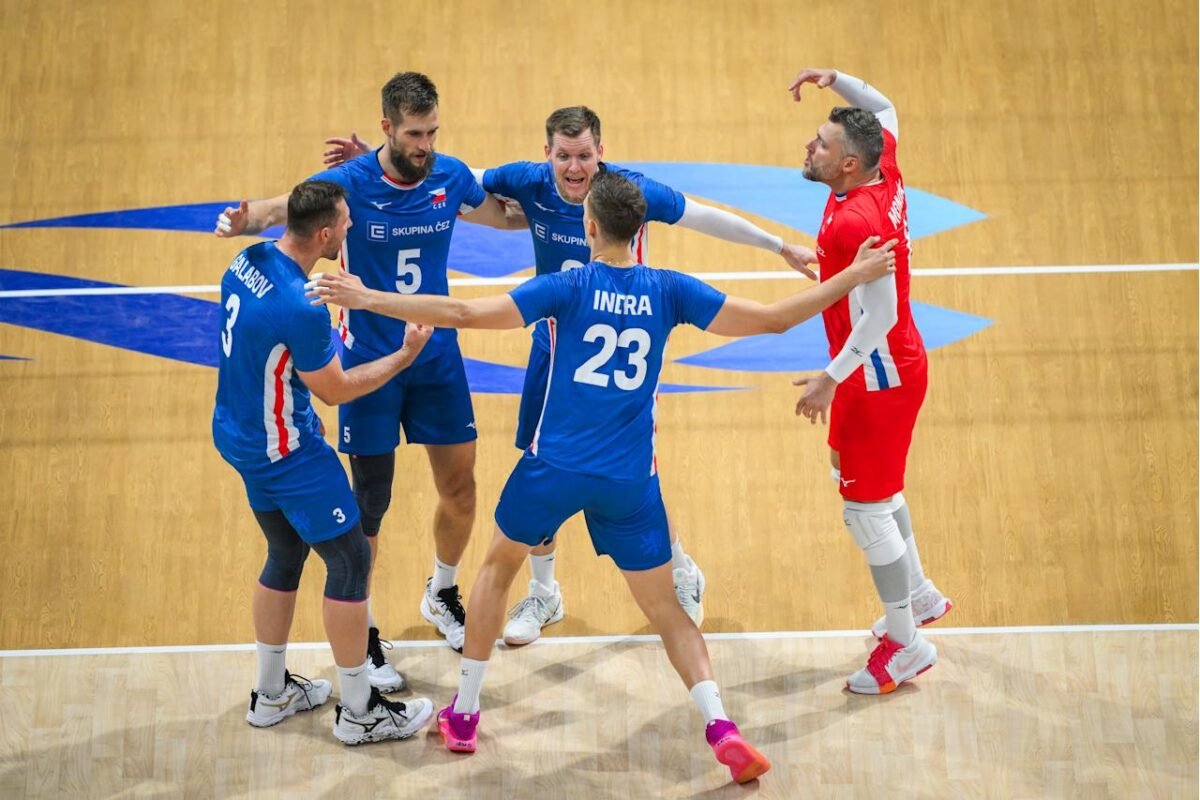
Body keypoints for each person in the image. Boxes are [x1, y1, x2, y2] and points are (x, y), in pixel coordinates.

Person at [306, 171, 896, 782]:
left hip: (552, 468)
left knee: (496, 569)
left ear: (588, 227)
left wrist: (368, 298)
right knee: (668, 609)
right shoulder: (670, 290)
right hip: (629, 479)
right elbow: (774, 319)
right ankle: (721, 726)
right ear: (639, 231)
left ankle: (465, 713)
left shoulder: (566, 285)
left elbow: (461, 310)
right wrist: (852, 276)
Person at [322, 105, 822, 643]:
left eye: (585, 155)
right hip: (553, 354)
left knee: (636, 474)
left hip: (619, 356)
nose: (575, 167)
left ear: (600, 153)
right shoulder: (527, 182)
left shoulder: (626, 194)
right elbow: (450, 178)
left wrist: (779, 246)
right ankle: (543, 595)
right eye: (564, 156)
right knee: (539, 468)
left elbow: (702, 215)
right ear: (548, 156)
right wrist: (381, 171)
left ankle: (680, 569)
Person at [216, 73, 525, 686]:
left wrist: (562, 201)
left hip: (435, 355)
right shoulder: (350, 183)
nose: (426, 144)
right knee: (369, 509)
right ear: (387, 127)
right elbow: (289, 211)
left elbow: (506, 218)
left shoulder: (449, 174)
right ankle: (369, 633)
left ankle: (441, 592)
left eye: (433, 131)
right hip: (368, 362)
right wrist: (244, 217)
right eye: (414, 133)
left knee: (461, 486)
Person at [213, 179, 435, 744]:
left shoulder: (248, 260)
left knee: (285, 551)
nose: (353, 228)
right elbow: (335, 390)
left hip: (241, 437)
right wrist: (403, 355)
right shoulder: (302, 305)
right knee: (351, 561)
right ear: (325, 233)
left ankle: (270, 693)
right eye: (346, 222)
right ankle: (360, 710)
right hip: (286, 452)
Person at [788, 67, 952, 694]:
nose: (811, 146)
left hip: (876, 374)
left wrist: (830, 379)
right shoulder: (885, 165)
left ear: (852, 164)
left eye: (823, 143)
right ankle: (917, 592)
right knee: (859, 483)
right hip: (881, 367)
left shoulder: (860, 222)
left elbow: (879, 314)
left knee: (863, 508)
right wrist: (837, 81)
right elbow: (884, 104)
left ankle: (906, 642)